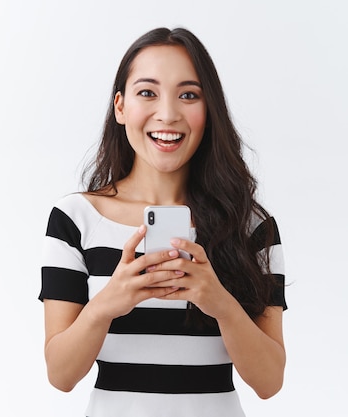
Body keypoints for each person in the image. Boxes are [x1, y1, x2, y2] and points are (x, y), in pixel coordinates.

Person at [38, 27, 287, 417]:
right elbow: (61, 374)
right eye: (147, 93)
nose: (168, 114)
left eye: (188, 94)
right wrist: (107, 304)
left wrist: (219, 302)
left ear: (209, 111)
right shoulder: (75, 219)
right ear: (120, 107)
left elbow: (270, 382)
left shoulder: (251, 225)